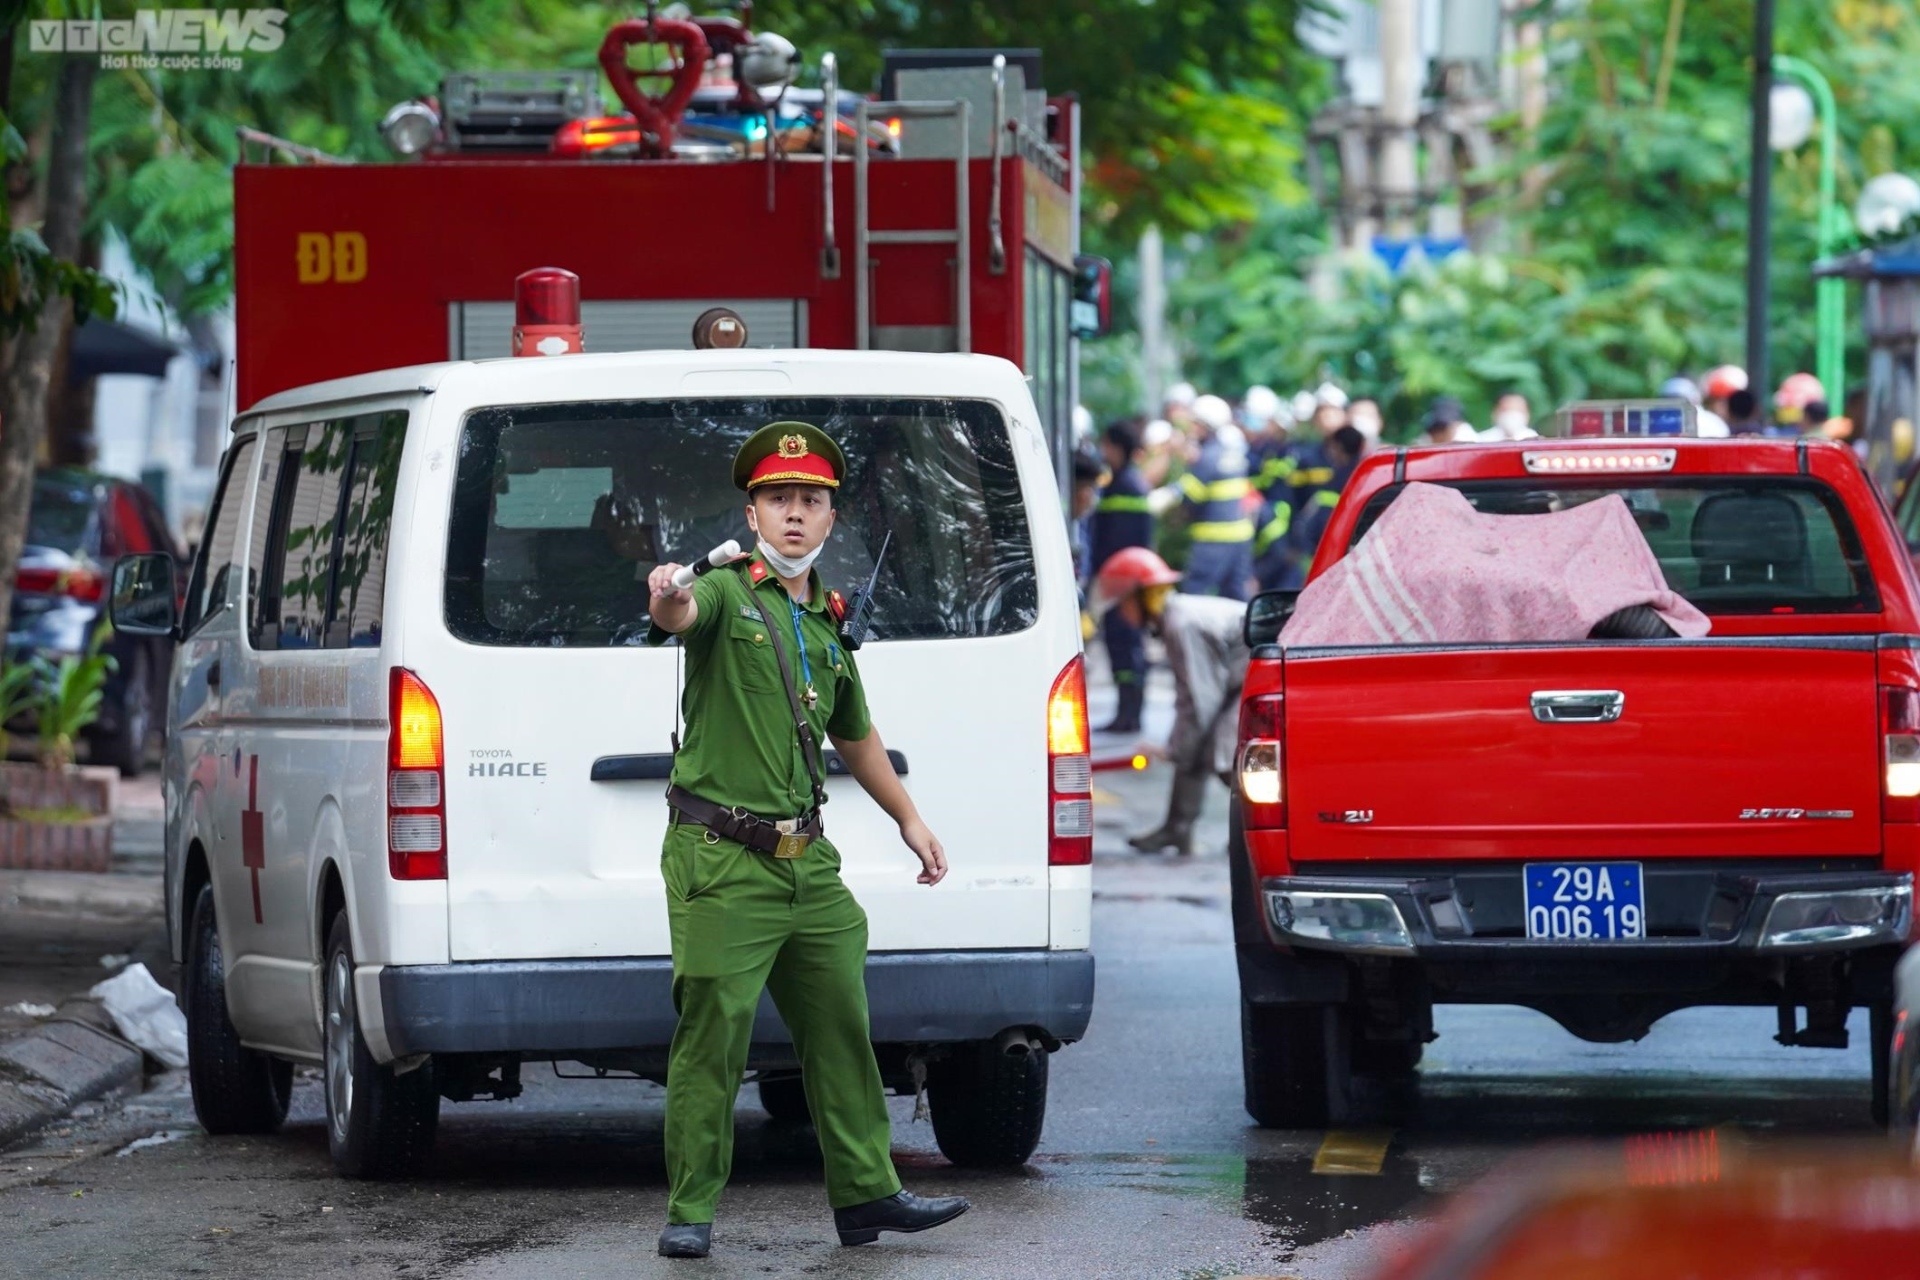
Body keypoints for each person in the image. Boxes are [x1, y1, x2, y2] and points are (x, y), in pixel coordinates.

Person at [644, 422, 969, 1259]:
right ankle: (690, 1210)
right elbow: (677, 613)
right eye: (779, 499)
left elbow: (855, 734)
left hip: (807, 865)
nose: (795, 514)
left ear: (831, 518)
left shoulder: (826, 620)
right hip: (722, 858)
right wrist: (668, 591)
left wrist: (910, 819)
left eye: (812, 501)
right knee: (713, 1035)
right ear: (752, 514)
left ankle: (867, 1195)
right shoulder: (725, 592)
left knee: (842, 1030)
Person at [1093, 547, 1249, 857]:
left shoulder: (1182, 624)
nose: (1122, 615)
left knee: (1219, 751)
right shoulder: (1176, 618)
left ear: (1141, 597)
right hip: (1240, 680)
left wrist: (1174, 748)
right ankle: (1177, 829)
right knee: (1195, 744)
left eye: (1123, 604)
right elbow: (1193, 698)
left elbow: (1200, 700)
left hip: (1251, 679)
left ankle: (1255, 832)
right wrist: (1180, 745)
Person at [1089, 420, 1155, 733]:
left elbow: (1122, 540)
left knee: (1127, 646)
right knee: (1120, 645)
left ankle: (1130, 714)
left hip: (1124, 583)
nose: (1104, 451)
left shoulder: (1126, 486)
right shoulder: (1122, 483)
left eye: (1107, 445)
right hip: (1119, 581)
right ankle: (1125, 712)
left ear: (1118, 448)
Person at [1175, 394, 1255, 600]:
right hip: (1240, 539)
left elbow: (1189, 500)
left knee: (1193, 594)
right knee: (1236, 595)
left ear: (1204, 426)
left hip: (1212, 540)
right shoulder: (1232, 454)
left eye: (1194, 423)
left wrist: (1187, 464)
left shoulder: (1205, 459)